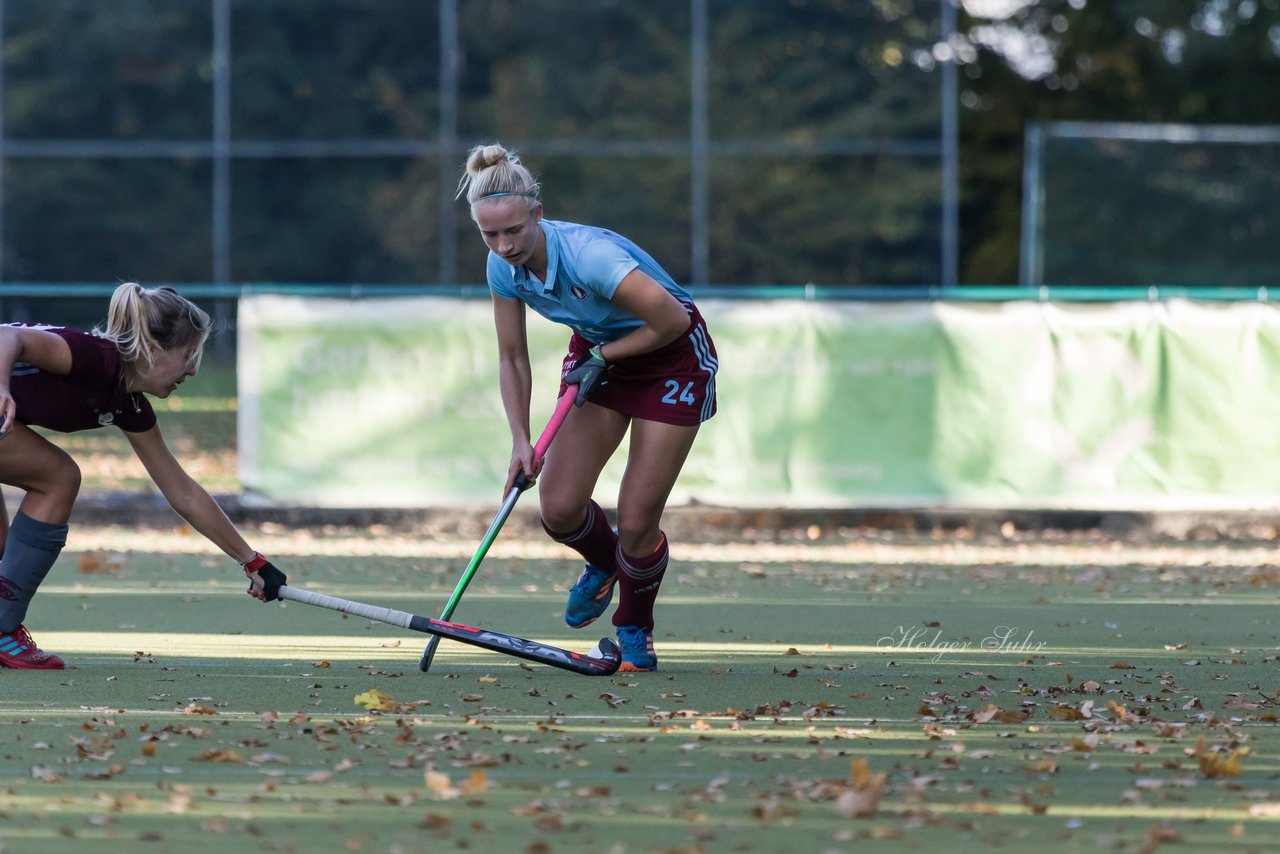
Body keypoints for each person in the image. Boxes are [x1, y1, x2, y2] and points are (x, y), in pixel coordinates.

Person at [457, 143, 718, 672]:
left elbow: (672, 322)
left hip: (671, 359)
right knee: (558, 507)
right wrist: (520, 440)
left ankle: (633, 629)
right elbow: (511, 357)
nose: (505, 246)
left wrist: (604, 354)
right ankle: (607, 563)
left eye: (514, 231)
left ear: (537, 214)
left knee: (639, 517)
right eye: (491, 235)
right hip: (600, 357)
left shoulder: (591, 256)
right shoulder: (500, 268)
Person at [0, 283, 286, 670]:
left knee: (6, 563)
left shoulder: (127, 404)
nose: (193, 369)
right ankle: (2, 629)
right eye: (188, 355)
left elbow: (182, 490)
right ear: (153, 350)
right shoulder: (95, 357)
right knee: (59, 477)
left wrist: (252, 561)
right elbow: (7, 336)